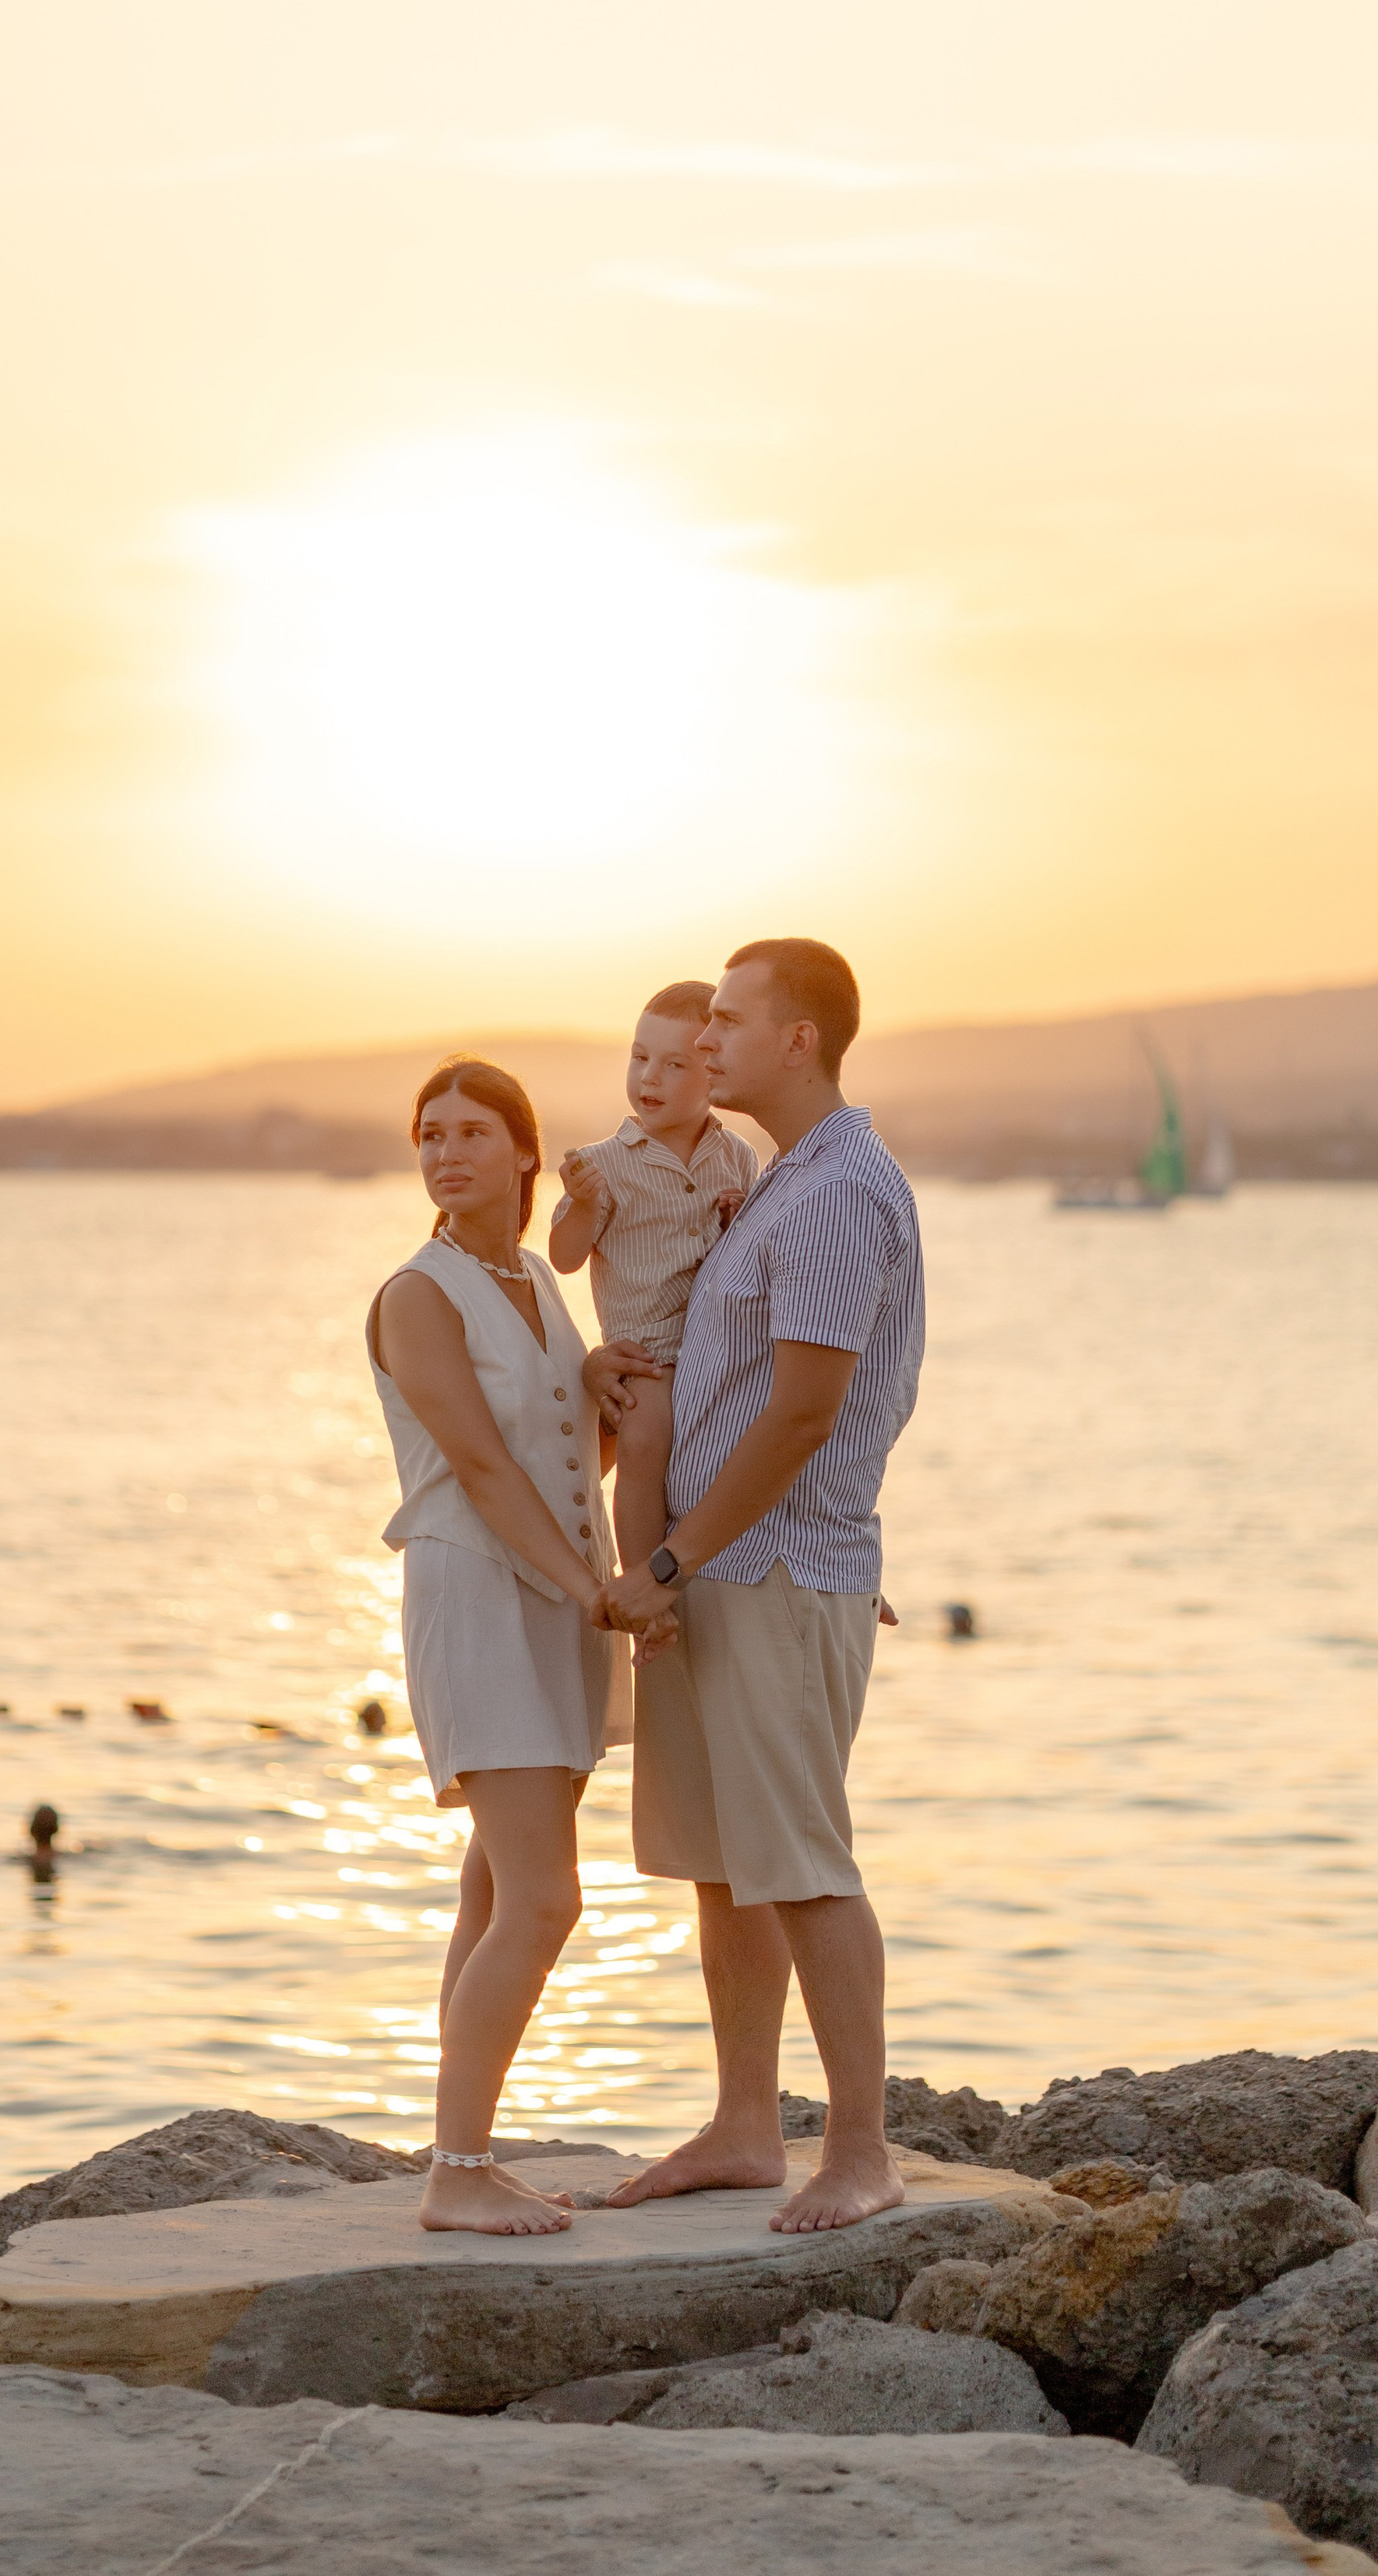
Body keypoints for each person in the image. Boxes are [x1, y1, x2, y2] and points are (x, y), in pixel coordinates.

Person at [600, 939, 925, 2235]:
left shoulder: (839, 1191)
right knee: (727, 1868)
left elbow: (805, 1413)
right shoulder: (778, 1179)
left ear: (799, 1039)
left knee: (801, 1863)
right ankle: (745, 2127)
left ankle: (860, 2152)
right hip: (722, 1568)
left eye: (729, 1020)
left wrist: (667, 1561)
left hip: (773, 1569)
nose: (704, 1040)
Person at [368, 1057, 656, 2236]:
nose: (446, 1152)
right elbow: (481, 1468)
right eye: (430, 1134)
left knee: (494, 1888)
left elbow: (555, 1459)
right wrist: (594, 1592)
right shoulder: (417, 1294)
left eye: (472, 1132)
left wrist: (598, 1394)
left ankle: (461, 2152)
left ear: (525, 1152)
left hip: (552, 1596)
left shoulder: (535, 1278)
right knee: (543, 1901)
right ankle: (456, 2170)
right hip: (483, 1596)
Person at [548, 979, 759, 1577]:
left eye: (673, 1065)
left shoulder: (738, 1156)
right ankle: (642, 1578)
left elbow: (751, 1257)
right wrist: (583, 1205)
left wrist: (736, 1219)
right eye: (640, 1058)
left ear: (714, 1071)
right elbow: (564, 1256)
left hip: (720, 1343)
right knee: (642, 1443)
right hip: (648, 1354)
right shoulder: (603, 1164)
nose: (649, 1078)